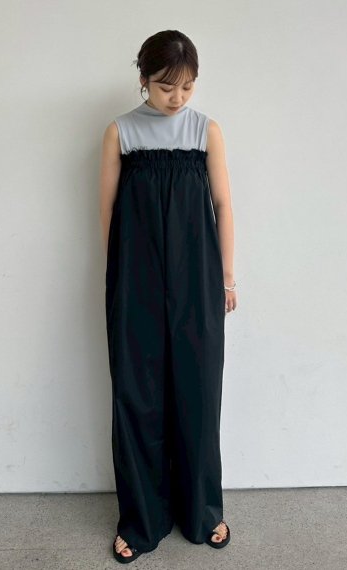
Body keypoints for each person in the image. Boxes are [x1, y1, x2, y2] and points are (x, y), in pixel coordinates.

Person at [99, 29, 237, 564]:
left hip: (197, 278)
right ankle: (142, 519)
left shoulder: (206, 130)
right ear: (143, 80)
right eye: (164, 87)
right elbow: (107, 211)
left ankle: (202, 510)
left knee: (198, 391)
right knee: (137, 394)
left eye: (186, 87)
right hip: (135, 276)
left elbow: (223, 205)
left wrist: (227, 279)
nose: (176, 98)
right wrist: (115, 275)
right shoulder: (121, 132)